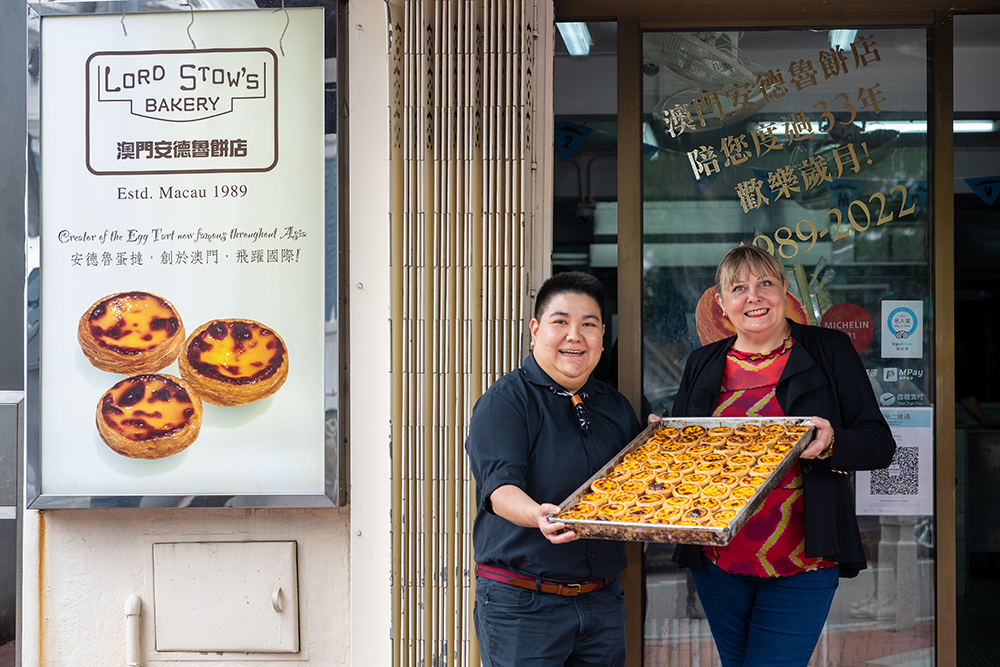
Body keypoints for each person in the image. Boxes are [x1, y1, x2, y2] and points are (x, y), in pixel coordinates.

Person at [669, 245, 896, 667]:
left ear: (785, 291)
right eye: (738, 288)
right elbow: (687, 456)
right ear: (721, 303)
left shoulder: (829, 350)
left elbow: (880, 444)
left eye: (765, 284)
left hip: (803, 559)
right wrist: (663, 442)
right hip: (719, 561)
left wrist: (832, 442)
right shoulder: (702, 363)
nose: (753, 297)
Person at [466, 271, 643, 667]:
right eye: (560, 322)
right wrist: (538, 515)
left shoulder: (615, 406)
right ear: (535, 330)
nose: (574, 336)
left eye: (589, 325)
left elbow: (636, 489)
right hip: (523, 605)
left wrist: (661, 449)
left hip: (602, 600)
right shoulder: (505, 402)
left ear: (601, 336)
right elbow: (499, 488)